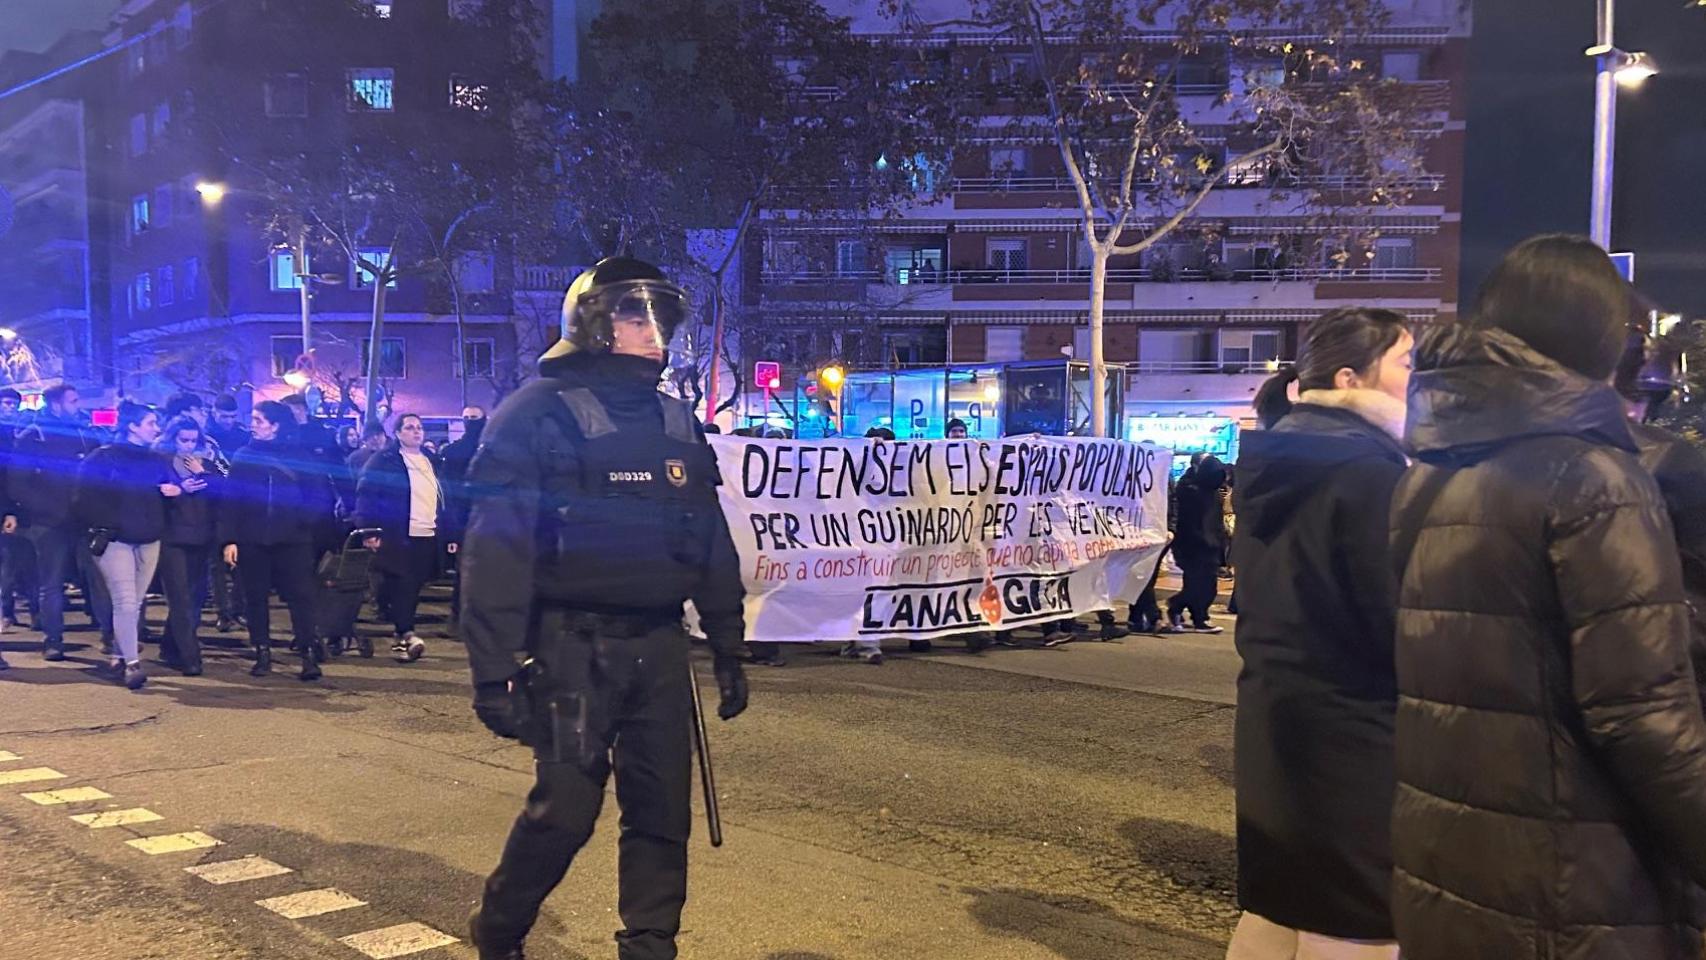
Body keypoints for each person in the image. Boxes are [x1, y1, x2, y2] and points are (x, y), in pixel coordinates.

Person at [1389, 235, 1706, 960]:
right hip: (1574, 889)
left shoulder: (1428, 475)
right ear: (1601, 339)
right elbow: (1644, 717)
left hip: (1448, 868)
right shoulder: (1595, 478)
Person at [459, 256, 750, 960]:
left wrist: (729, 641)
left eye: (659, 317)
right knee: (565, 811)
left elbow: (708, 539)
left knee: (661, 815)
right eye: (633, 315)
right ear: (591, 323)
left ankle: (650, 946)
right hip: (571, 647)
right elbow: (497, 550)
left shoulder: (674, 420)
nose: (653, 332)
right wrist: (492, 667)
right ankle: (498, 929)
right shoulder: (536, 414)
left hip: (659, 647)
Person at [1225, 307, 1413, 960]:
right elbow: (1396, 625)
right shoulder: (1372, 476)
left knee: (1278, 912)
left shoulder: (1274, 467)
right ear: (1350, 377)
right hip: (1354, 747)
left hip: (1276, 731)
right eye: (1406, 363)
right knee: (1355, 926)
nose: (1417, 380)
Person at [75, 403, 187, 690]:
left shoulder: (157, 460)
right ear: (133, 427)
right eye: (150, 423)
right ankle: (133, 664)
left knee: (134, 602)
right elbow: (84, 498)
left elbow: (170, 492)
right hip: (115, 539)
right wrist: (107, 525)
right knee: (125, 601)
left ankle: (117, 654)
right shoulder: (102, 458)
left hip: (149, 538)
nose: (156, 428)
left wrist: (174, 493)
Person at [218, 400, 327, 681]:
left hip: (293, 539)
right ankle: (262, 651)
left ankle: (307, 652)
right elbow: (232, 500)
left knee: (301, 598)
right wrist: (230, 539)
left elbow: (317, 495)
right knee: (255, 598)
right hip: (253, 539)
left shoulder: (299, 457)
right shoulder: (244, 455)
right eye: (253, 419)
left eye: (259, 420)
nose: (253, 424)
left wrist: (302, 520)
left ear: (276, 425)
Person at [5, 384, 111, 661]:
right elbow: (18, 483)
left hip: (84, 520)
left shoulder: (83, 433)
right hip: (49, 522)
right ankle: (53, 640)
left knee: (98, 579)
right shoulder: (33, 437)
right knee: (51, 583)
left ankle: (110, 636)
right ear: (56, 404)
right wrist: (46, 509)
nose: (78, 405)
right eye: (73, 401)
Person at [353, 412, 449, 662]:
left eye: (419, 427)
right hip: (398, 533)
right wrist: (370, 529)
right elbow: (367, 494)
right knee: (404, 583)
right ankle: (407, 634)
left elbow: (444, 496)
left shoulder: (431, 460)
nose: (416, 431)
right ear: (397, 433)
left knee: (413, 586)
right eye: (409, 427)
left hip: (427, 532)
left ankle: (401, 637)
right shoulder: (383, 461)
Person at [155, 415, 220, 676]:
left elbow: (228, 485)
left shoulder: (210, 463)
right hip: (173, 538)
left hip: (201, 537)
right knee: (180, 599)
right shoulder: (160, 462)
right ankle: (190, 655)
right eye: (184, 440)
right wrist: (178, 489)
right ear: (173, 439)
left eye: (194, 440)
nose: (189, 446)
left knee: (194, 598)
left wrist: (202, 473)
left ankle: (170, 646)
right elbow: (152, 493)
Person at [1162, 454, 1227, 634]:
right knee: (1196, 584)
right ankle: (1183, 609)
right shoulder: (1187, 488)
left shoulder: (1212, 491)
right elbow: (1187, 520)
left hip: (1211, 544)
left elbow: (1215, 520)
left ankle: (1197, 616)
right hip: (1191, 545)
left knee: (1208, 586)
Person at [438, 407, 486, 622]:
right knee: (465, 570)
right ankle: (459, 618)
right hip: (466, 519)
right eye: (466, 418)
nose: (469, 422)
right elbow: (449, 492)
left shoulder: (493, 450)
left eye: (474, 418)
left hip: (492, 518)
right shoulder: (454, 452)